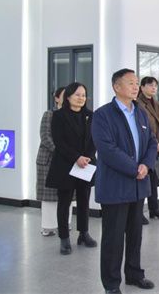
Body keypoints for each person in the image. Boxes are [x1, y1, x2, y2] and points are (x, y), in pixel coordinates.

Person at [92, 69, 157, 294]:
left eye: (137, 83)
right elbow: (107, 149)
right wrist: (134, 168)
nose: (135, 87)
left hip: (138, 185)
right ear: (116, 87)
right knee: (113, 238)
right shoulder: (103, 115)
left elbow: (152, 141)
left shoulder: (140, 112)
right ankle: (111, 284)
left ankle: (134, 274)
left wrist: (146, 165)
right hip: (115, 186)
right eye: (130, 83)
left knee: (135, 234)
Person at [46, 82, 97, 255]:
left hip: (86, 165)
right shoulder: (58, 116)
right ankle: (64, 238)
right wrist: (76, 157)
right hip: (66, 165)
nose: (81, 98)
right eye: (77, 95)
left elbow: (94, 139)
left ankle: (84, 233)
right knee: (64, 203)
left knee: (84, 200)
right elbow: (59, 142)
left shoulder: (90, 115)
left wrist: (87, 157)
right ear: (68, 97)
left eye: (83, 95)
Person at [137, 76, 159, 221]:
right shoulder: (138, 103)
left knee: (153, 180)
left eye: (155, 86)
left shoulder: (156, 103)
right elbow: (142, 127)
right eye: (150, 85)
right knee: (143, 180)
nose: (154, 88)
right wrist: (154, 143)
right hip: (145, 147)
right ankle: (138, 213)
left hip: (157, 146)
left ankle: (154, 209)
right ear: (142, 87)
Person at [36, 86, 66, 237]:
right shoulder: (49, 114)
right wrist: (60, 152)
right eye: (64, 95)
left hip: (66, 159)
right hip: (49, 159)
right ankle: (48, 227)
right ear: (56, 98)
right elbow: (45, 136)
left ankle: (64, 225)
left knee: (66, 194)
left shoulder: (71, 115)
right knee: (49, 196)